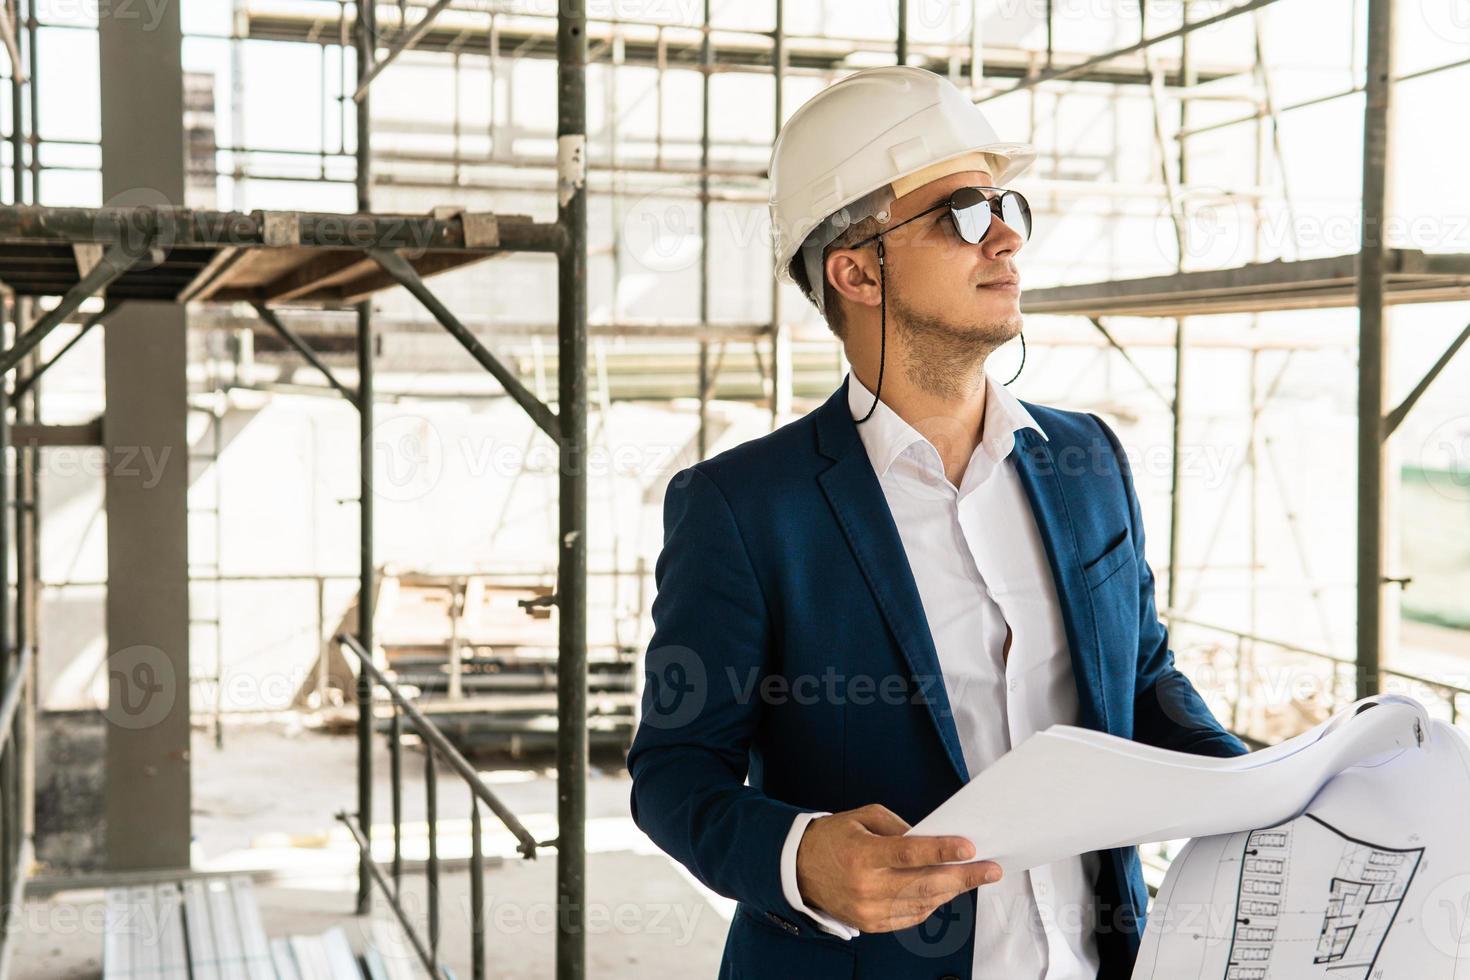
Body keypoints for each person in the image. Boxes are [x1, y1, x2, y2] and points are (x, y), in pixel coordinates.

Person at [627, 64, 1249, 980]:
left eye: (1005, 205)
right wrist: (800, 857)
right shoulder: (743, 508)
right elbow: (675, 773)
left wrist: (1259, 787)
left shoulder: (1087, 463)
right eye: (960, 212)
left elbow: (1143, 677)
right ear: (856, 270)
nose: (1004, 236)